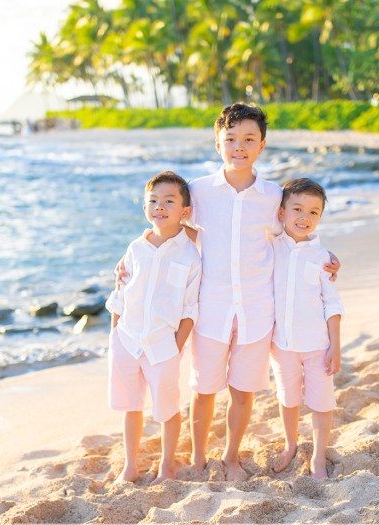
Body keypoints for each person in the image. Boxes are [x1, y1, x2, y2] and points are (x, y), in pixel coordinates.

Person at [185, 103, 341, 481]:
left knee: (243, 390)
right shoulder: (199, 191)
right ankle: (197, 457)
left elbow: (295, 231)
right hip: (211, 308)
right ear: (217, 142)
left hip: (257, 309)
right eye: (231, 139)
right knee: (204, 389)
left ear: (262, 145)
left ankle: (232, 457)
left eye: (249, 139)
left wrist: (327, 258)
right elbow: (174, 226)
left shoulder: (274, 196)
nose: (239, 146)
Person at [105, 171, 202, 484]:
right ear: (145, 207)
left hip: (163, 345)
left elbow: (189, 308)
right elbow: (121, 293)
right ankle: (130, 466)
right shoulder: (135, 248)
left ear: (184, 211)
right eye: (153, 201)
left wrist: (177, 346)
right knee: (131, 406)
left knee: (167, 409)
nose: (160, 206)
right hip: (127, 339)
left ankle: (167, 465)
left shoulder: (189, 255)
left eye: (169, 201)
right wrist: (114, 333)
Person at [269, 178, 343, 480]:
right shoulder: (271, 247)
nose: (305, 218)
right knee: (288, 398)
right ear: (281, 212)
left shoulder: (323, 258)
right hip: (281, 344)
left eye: (314, 212)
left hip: (317, 345)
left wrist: (335, 347)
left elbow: (332, 304)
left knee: (321, 402)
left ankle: (318, 456)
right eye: (297, 209)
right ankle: (290, 445)